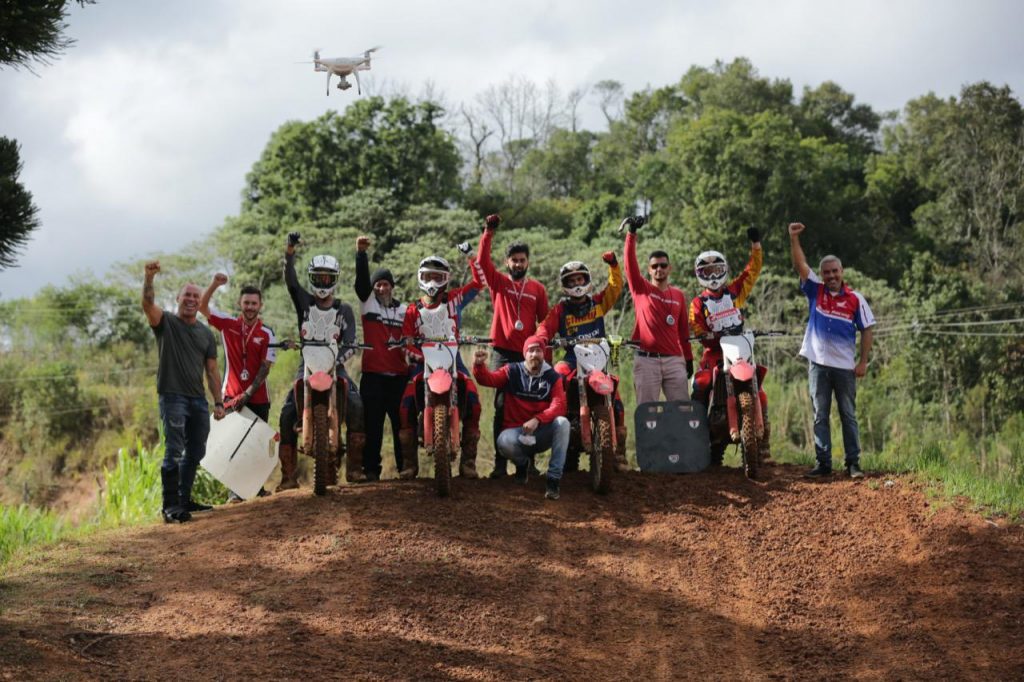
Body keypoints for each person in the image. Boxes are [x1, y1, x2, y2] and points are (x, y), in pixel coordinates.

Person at [276, 231, 365, 490]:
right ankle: (288, 476)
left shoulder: (344, 309)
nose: (323, 282)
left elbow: (351, 340)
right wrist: (289, 250)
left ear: (335, 280)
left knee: (357, 404)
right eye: (319, 277)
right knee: (286, 411)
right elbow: (290, 282)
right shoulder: (304, 302)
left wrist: (343, 357)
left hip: (335, 364)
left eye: (328, 277)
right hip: (308, 363)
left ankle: (355, 468)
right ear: (312, 279)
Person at [789, 222, 875, 479]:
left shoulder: (855, 299)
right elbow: (800, 265)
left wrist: (863, 362)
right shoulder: (816, 290)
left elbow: (867, 329)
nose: (831, 276)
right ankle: (823, 463)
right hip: (818, 364)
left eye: (834, 271)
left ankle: (853, 463)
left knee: (848, 415)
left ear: (842, 271)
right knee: (819, 416)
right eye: (826, 272)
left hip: (845, 367)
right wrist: (794, 238)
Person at [141, 261, 225, 524]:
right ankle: (169, 506)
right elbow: (147, 304)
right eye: (187, 295)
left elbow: (212, 371)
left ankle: (184, 499)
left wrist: (219, 402)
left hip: (198, 401)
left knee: (196, 451)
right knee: (174, 451)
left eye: (195, 297)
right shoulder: (165, 322)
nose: (191, 299)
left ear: (199, 303)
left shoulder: (205, 334)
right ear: (177, 299)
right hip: (172, 396)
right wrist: (149, 278)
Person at [537, 252, 629, 472]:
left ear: (586, 280)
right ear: (565, 284)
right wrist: (540, 339)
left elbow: (615, 288)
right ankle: (558, 426)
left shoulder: (598, 303)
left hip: (598, 357)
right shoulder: (561, 309)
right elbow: (545, 326)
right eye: (572, 280)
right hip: (572, 358)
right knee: (557, 375)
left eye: (580, 279)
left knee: (616, 398)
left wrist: (614, 266)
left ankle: (619, 453)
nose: (577, 284)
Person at [476, 214, 550, 478]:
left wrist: (543, 348)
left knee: (530, 406)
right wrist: (488, 232)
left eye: (522, 260)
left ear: (527, 262)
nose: (518, 263)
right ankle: (499, 464)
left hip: (528, 357)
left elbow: (545, 323)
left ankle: (526, 464)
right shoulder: (499, 283)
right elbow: (482, 263)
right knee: (501, 406)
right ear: (507, 262)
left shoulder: (538, 289)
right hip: (502, 354)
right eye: (514, 260)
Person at [397, 255, 483, 479]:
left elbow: (479, 282)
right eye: (429, 277)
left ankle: (469, 462)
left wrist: (471, 257)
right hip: (423, 360)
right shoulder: (413, 310)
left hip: (453, 357)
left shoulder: (454, 300)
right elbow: (405, 342)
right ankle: (409, 464)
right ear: (420, 278)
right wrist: (416, 354)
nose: (433, 282)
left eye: (439, 277)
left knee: (473, 401)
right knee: (405, 406)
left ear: (446, 280)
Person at [689, 228, 766, 465]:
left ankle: (764, 444)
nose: (713, 275)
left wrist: (756, 245)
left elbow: (751, 272)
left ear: (724, 270)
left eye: (717, 269)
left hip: (739, 349)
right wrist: (706, 335)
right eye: (707, 271)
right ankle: (697, 435)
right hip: (714, 353)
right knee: (701, 383)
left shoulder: (734, 292)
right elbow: (697, 328)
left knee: (759, 381)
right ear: (700, 274)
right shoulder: (697, 303)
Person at [199, 274, 276, 501]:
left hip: (258, 395)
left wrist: (248, 393)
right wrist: (214, 284)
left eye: (254, 303)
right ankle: (235, 493)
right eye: (246, 303)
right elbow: (203, 307)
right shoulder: (228, 324)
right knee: (232, 443)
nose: (250, 307)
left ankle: (257, 487)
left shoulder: (267, 333)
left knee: (258, 443)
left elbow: (265, 367)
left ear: (260, 305)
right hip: (231, 394)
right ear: (240, 304)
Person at [473, 336, 570, 500]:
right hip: (517, 433)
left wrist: (538, 419)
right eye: (531, 351)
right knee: (503, 441)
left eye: (538, 350)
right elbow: (487, 380)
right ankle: (522, 464)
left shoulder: (552, 377)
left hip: (541, 432)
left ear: (543, 354)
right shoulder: (511, 370)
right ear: (525, 354)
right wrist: (479, 365)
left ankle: (553, 480)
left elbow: (559, 405)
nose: (534, 354)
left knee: (563, 423)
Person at [621, 216, 694, 404]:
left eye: (663, 266)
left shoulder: (678, 295)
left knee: (682, 411)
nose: (659, 269)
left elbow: (683, 331)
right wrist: (631, 234)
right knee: (648, 413)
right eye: (654, 266)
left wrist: (688, 358)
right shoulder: (640, 288)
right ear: (649, 270)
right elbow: (629, 265)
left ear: (669, 268)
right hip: (647, 361)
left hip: (674, 361)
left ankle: (678, 435)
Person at [354, 235, 409, 481]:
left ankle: (405, 468)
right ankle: (371, 471)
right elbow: (362, 284)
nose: (381, 288)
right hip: (373, 375)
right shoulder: (368, 304)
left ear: (392, 287)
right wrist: (361, 255)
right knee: (372, 425)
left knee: (402, 426)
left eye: (385, 284)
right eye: (378, 285)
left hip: (399, 376)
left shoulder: (405, 310)